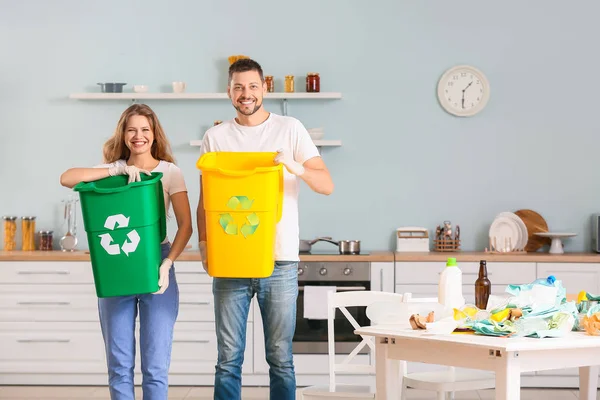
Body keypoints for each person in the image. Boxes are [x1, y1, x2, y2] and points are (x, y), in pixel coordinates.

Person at [196, 58, 334, 400]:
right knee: (228, 359)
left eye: (253, 86)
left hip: (280, 261)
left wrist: (294, 165)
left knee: (280, 359)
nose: (246, 94)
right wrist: (203, 244)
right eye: (238, 87)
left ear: (265, 89)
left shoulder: (290, 129)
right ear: (228, 91)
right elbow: (205, 201)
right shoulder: (216, 137)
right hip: (230, 262)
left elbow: (326, 184)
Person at [60, 104, 193, 400]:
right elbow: (66, 178)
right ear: (123, 135)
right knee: (119, 366)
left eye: (145, 129)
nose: (138, 136)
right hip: (115, 269)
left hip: (155, 267)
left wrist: (167, 263)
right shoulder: (109, 172)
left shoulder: (169, 172)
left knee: (155, 366)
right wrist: (115, 168)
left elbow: (186, 226)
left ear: (154, 135)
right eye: (131, 129)